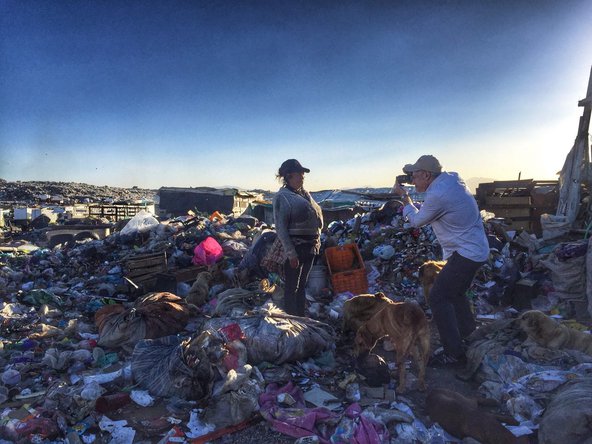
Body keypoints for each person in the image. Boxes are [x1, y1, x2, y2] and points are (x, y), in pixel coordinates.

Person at [392, 155, 489, 365]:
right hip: (475, 250)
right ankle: (468, 335)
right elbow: (432, 205)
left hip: (466, 254)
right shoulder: (450, 182)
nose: (412, 180)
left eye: (415, 176)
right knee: (456, 294)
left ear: (427, 175)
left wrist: (405, 200)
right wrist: (414, 191)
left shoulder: (438, 194)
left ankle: (453, 353)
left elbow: (417, 221)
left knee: (438, 297)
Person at [272, 159, 324, 316]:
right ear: (288, 176)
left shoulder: (305, 194)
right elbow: (281, 228)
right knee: (292, 287)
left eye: (303, 175)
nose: (302, 177)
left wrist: (317, 243)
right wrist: (291, 253)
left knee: (302, 286)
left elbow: (318, 218)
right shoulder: (283, 197)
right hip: (296, 248)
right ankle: (292, 318)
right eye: (299, 174)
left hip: (310, 248)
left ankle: (301, 317)